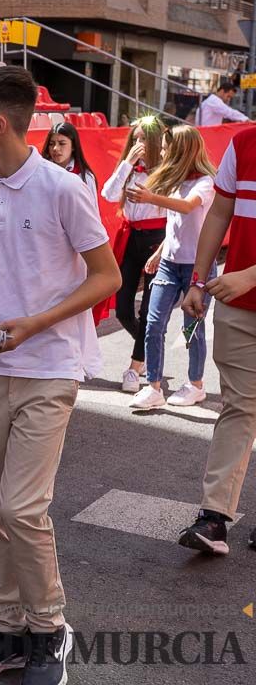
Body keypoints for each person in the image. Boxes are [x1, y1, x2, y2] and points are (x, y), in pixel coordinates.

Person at [0, 66, 119, 684]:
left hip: (49, 368)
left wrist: (34, 323)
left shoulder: (66, 189)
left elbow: (107, 277)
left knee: (21, 507)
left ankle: (49, 629)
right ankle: (8, 632)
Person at [179, 124, 256, 555]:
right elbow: (219, 214)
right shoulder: (244, 143)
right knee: (239, 408)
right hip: (238, 306)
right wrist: (198, 280)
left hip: (242, 288)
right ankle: (214, 518)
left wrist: (247, 275)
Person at [128, 125, 217, 410]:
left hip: (197, 267)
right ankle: (153, 387)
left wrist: (151, 198)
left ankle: (196, 385)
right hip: (169, 263)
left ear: (182, 150)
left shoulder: (205, 182)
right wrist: (161, 252)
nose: (163, 152)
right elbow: (176, 225)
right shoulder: (175, 180)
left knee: (193, 330)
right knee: (153, 323)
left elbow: (188, 208)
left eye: (167, 148)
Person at [98, 116, 167, 390]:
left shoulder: (167, 169)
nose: (138, 143)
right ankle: (151, 352)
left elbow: (176, 210)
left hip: (157, 239)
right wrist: (127, 162)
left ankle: (134, 368)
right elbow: (108, 194)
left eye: (142, 139)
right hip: (131, 237)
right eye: (134, 138)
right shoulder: (131, 167)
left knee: (150, 307)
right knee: (124, 306)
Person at [41, 121, 97, 196]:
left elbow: (92, 207)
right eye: (51, 144)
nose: (55, 148)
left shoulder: (85, 177)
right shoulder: (41, 172)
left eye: (62, 143)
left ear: (73, 146)